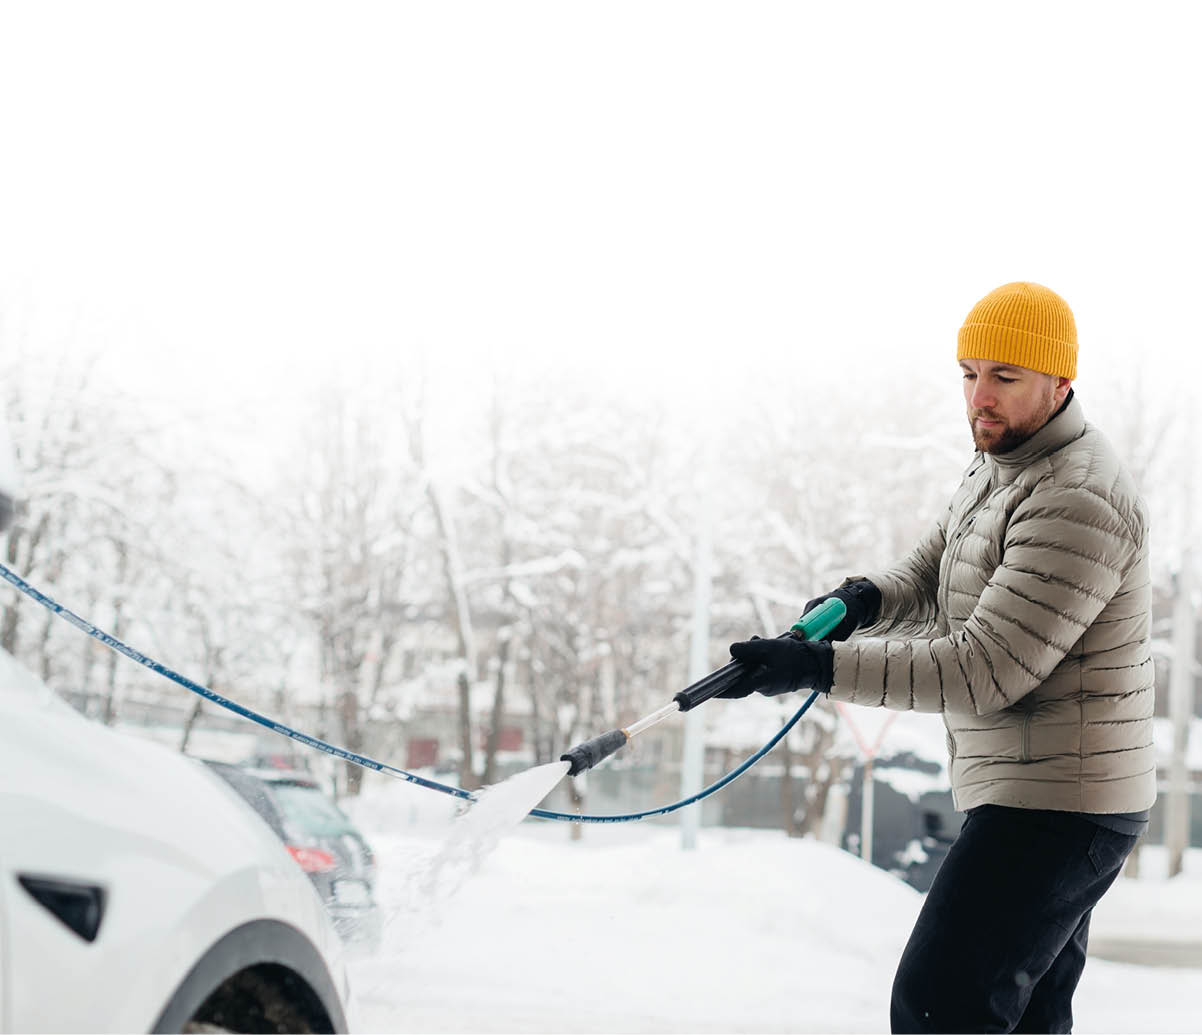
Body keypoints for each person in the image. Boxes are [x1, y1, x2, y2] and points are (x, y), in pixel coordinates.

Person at [718, 282, 1155, 1034]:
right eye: (968, 372)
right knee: (1018, 1016)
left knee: (940, 1005)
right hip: (1041, 791)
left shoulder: (1078, 498)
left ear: (1059, 381)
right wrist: (856, 604)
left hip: (1061, 803)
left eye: (1003, 377)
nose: (977, 396)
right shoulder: (1006, 462)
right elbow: (927, 576)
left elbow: (983, 668)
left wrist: (818, 670)